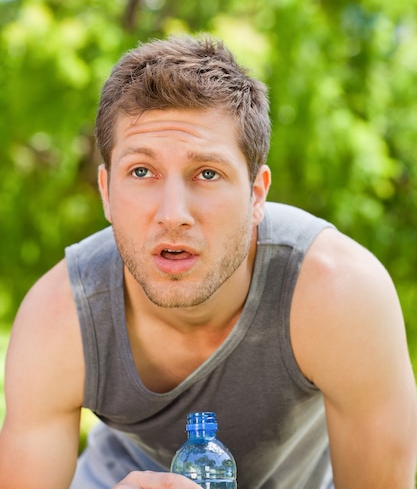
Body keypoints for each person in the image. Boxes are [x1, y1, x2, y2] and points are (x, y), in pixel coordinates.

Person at [0, 35, 416, 489]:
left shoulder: (340, 293)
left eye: (207, 173)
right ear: (105, 191)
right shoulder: (60, 317)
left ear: (256, 194)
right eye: (141, 171)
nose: (173, 214)